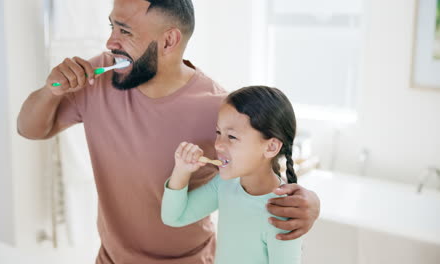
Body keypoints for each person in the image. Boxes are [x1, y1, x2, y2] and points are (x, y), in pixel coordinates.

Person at [17, 0, 320, 263]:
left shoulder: (216, 108)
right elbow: (28, 129)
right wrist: (50, 90)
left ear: (168, 41)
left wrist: (311, 205)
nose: (110, 41)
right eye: (111, 26)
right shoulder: (96, 78)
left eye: (125, 31)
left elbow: (264, 170)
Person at [162, 86, 302, 264]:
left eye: (232, 137)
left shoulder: (283, 216)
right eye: (218, 133)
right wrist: (181, 171)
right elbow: (174, 217)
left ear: (271, 147)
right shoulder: (225, 185)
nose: (218, 144)